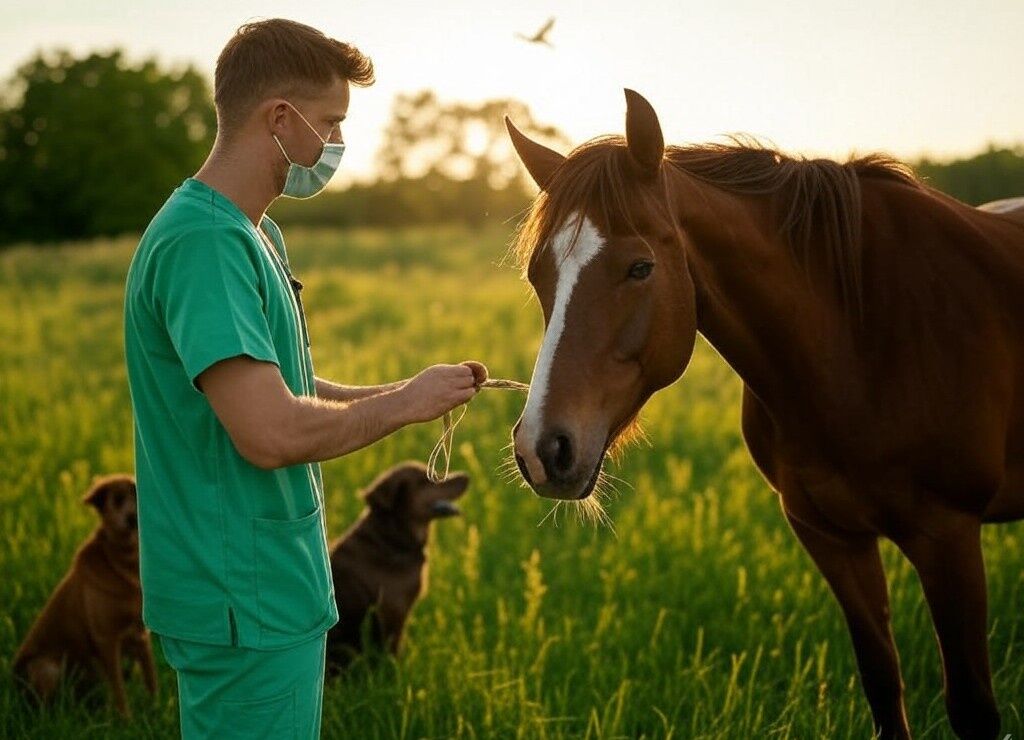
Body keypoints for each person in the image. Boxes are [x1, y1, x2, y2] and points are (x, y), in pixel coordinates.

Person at [123, 18, 487, 738]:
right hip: (241, 596)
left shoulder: (256, 232)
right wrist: (406, 406)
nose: (336, 146)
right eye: (331, 124)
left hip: (273, 587)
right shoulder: (204, 244)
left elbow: (288, 383)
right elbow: (270, 430)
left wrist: (409, 393)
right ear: (280, 119)